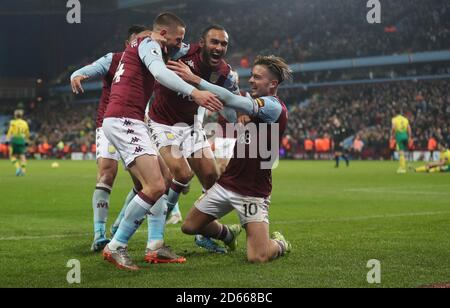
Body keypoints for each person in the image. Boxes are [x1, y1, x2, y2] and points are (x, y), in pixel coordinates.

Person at [101, 12, 223, 271]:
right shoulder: (149, 44)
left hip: (129, 119)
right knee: (155, 185)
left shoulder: (143, 43)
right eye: (178, 39)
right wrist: (195, 92)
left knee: (164, 178)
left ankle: (155, 244)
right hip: (125, 119)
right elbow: (159, 72)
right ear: (164, 33)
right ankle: (115, 245)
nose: (180, 45)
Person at [168, 55, 292, 263]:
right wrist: (225, 85)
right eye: (252, 76)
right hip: (227, 184)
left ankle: (280, 244)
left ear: (272, 84)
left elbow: (232, 100)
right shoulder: (251, 106)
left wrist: (195, 79)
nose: (251, 80)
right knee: (189, 226)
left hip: (252, 192)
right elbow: (228, 106)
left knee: (257, 257)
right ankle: (227, 234)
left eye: (257, 77)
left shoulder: (273, 106)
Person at [71, 25, 150, 252]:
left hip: (136, 125)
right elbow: (90, 69)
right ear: (128, 44)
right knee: (107, 173)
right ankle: (99, 234)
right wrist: (77, 75)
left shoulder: (153, 63)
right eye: (139, 41)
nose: (144, 46)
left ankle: (118, 225)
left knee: (143, 183)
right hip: (109, 123)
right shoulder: (113, 59)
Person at [6, 109, 30, 176]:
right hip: (22, 140)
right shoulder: (25, 123)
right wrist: (27, 140)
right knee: (22, 156)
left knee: (12, 156)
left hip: (15, 139)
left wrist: (7, 139)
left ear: (15, 115)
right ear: (21, 115)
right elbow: (27, 133)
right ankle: (23, 171)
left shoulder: (12, 122)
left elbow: (10, 131)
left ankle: (18, 168)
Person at [391, 107, 412, 174]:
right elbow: (409, 128)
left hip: (399, 135)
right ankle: (402, 166)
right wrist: (409, 137)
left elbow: (393, 128)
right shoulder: (405, 119)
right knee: (402, 152)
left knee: (401, 152)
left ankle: (402, 168)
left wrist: (392, 135)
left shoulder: (394, 119)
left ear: (395, 113)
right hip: (405, 135)